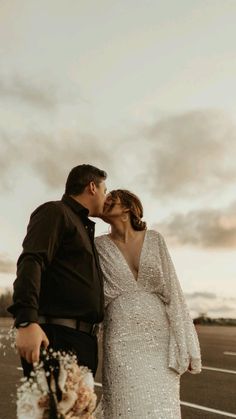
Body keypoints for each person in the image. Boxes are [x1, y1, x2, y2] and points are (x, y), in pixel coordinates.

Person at [95, 189, 201, 419]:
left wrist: (188, 344)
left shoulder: (155, 239)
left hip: (158, 340)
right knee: (124, 406)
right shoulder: (98, 246)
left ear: (128, 208)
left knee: (160, 407)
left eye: (112, 198)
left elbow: (173, 290)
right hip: (119, 339)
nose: (105, 201)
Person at [8, 164, 107, 378]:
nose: (106, 197)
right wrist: (26, 321)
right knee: (52, 411)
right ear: (92, 187)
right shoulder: (55, 212)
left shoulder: (83, 227)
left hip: (81, 341)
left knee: (75, 411)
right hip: (56, 337)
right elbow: (31, 260)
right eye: (104, 191)